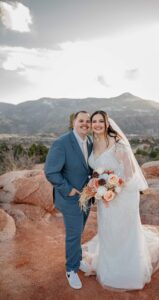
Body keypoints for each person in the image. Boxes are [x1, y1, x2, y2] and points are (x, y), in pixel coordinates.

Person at [82, 110, 159, 290]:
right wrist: (98, 185)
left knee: (123, 230)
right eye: (94, 121)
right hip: (104, 195)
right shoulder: (92, 143)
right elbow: (97, 170)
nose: (97, 124)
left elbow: (129, 174)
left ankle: (128, 271)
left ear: (107, 123)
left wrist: (111, 189)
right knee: (108, 229)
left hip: (123, 194)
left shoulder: (118, 144)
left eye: (100, 121)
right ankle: (108, 267)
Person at [45, 111, 93, 289]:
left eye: (88, 121)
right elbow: (51, 172)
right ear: (74, 122)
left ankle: (78, 260)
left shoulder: (89, 142)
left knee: (79, 232)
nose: (85, 124)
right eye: (81, 121)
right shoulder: (61, 143)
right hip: (70, 198)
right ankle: (71, 269)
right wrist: (68, 190)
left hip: (87, 197)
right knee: (74, 234)